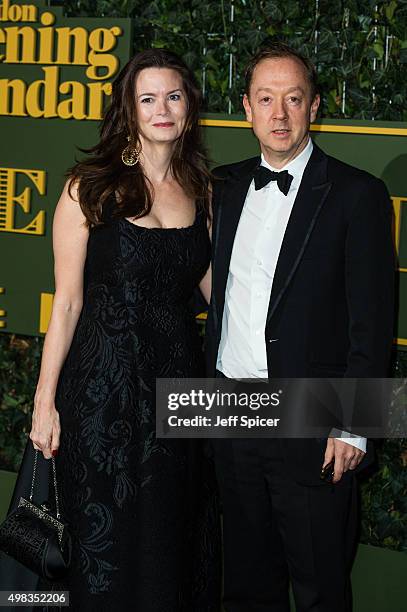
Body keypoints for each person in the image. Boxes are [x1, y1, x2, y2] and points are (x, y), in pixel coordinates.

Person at [1, 49, 220, 611]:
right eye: (148, 99)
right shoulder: (88, 186)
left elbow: (219, 301)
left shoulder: (203, 190)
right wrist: (44, 400)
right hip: (102, 391)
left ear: (189, 108)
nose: (162, 109)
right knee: (103, 538)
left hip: (177, 388)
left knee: (170, 533)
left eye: (173, 96)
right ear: (129, 109)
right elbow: (68, 303)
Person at [205, 43, 395, 612]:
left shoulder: (358, 195)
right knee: (243, 584)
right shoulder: (224, 186)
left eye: (293, 99)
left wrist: (356, 428)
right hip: (229, 412)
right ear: (247, 108)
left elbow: (374, 324)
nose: (280, 114)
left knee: (320, 589)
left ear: (315, 106)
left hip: (313, 421)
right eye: (266, 99)